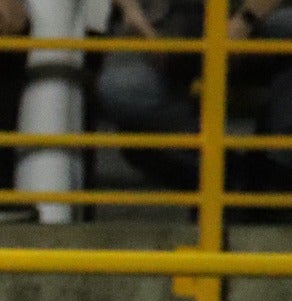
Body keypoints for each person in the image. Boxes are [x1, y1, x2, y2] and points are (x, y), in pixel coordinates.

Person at [97, 0, 292, 200]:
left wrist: (246, 19)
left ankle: (275, 170)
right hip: (164, 18)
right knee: (122, 89)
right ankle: (240, 182)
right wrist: (130, 10)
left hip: (252, 15)